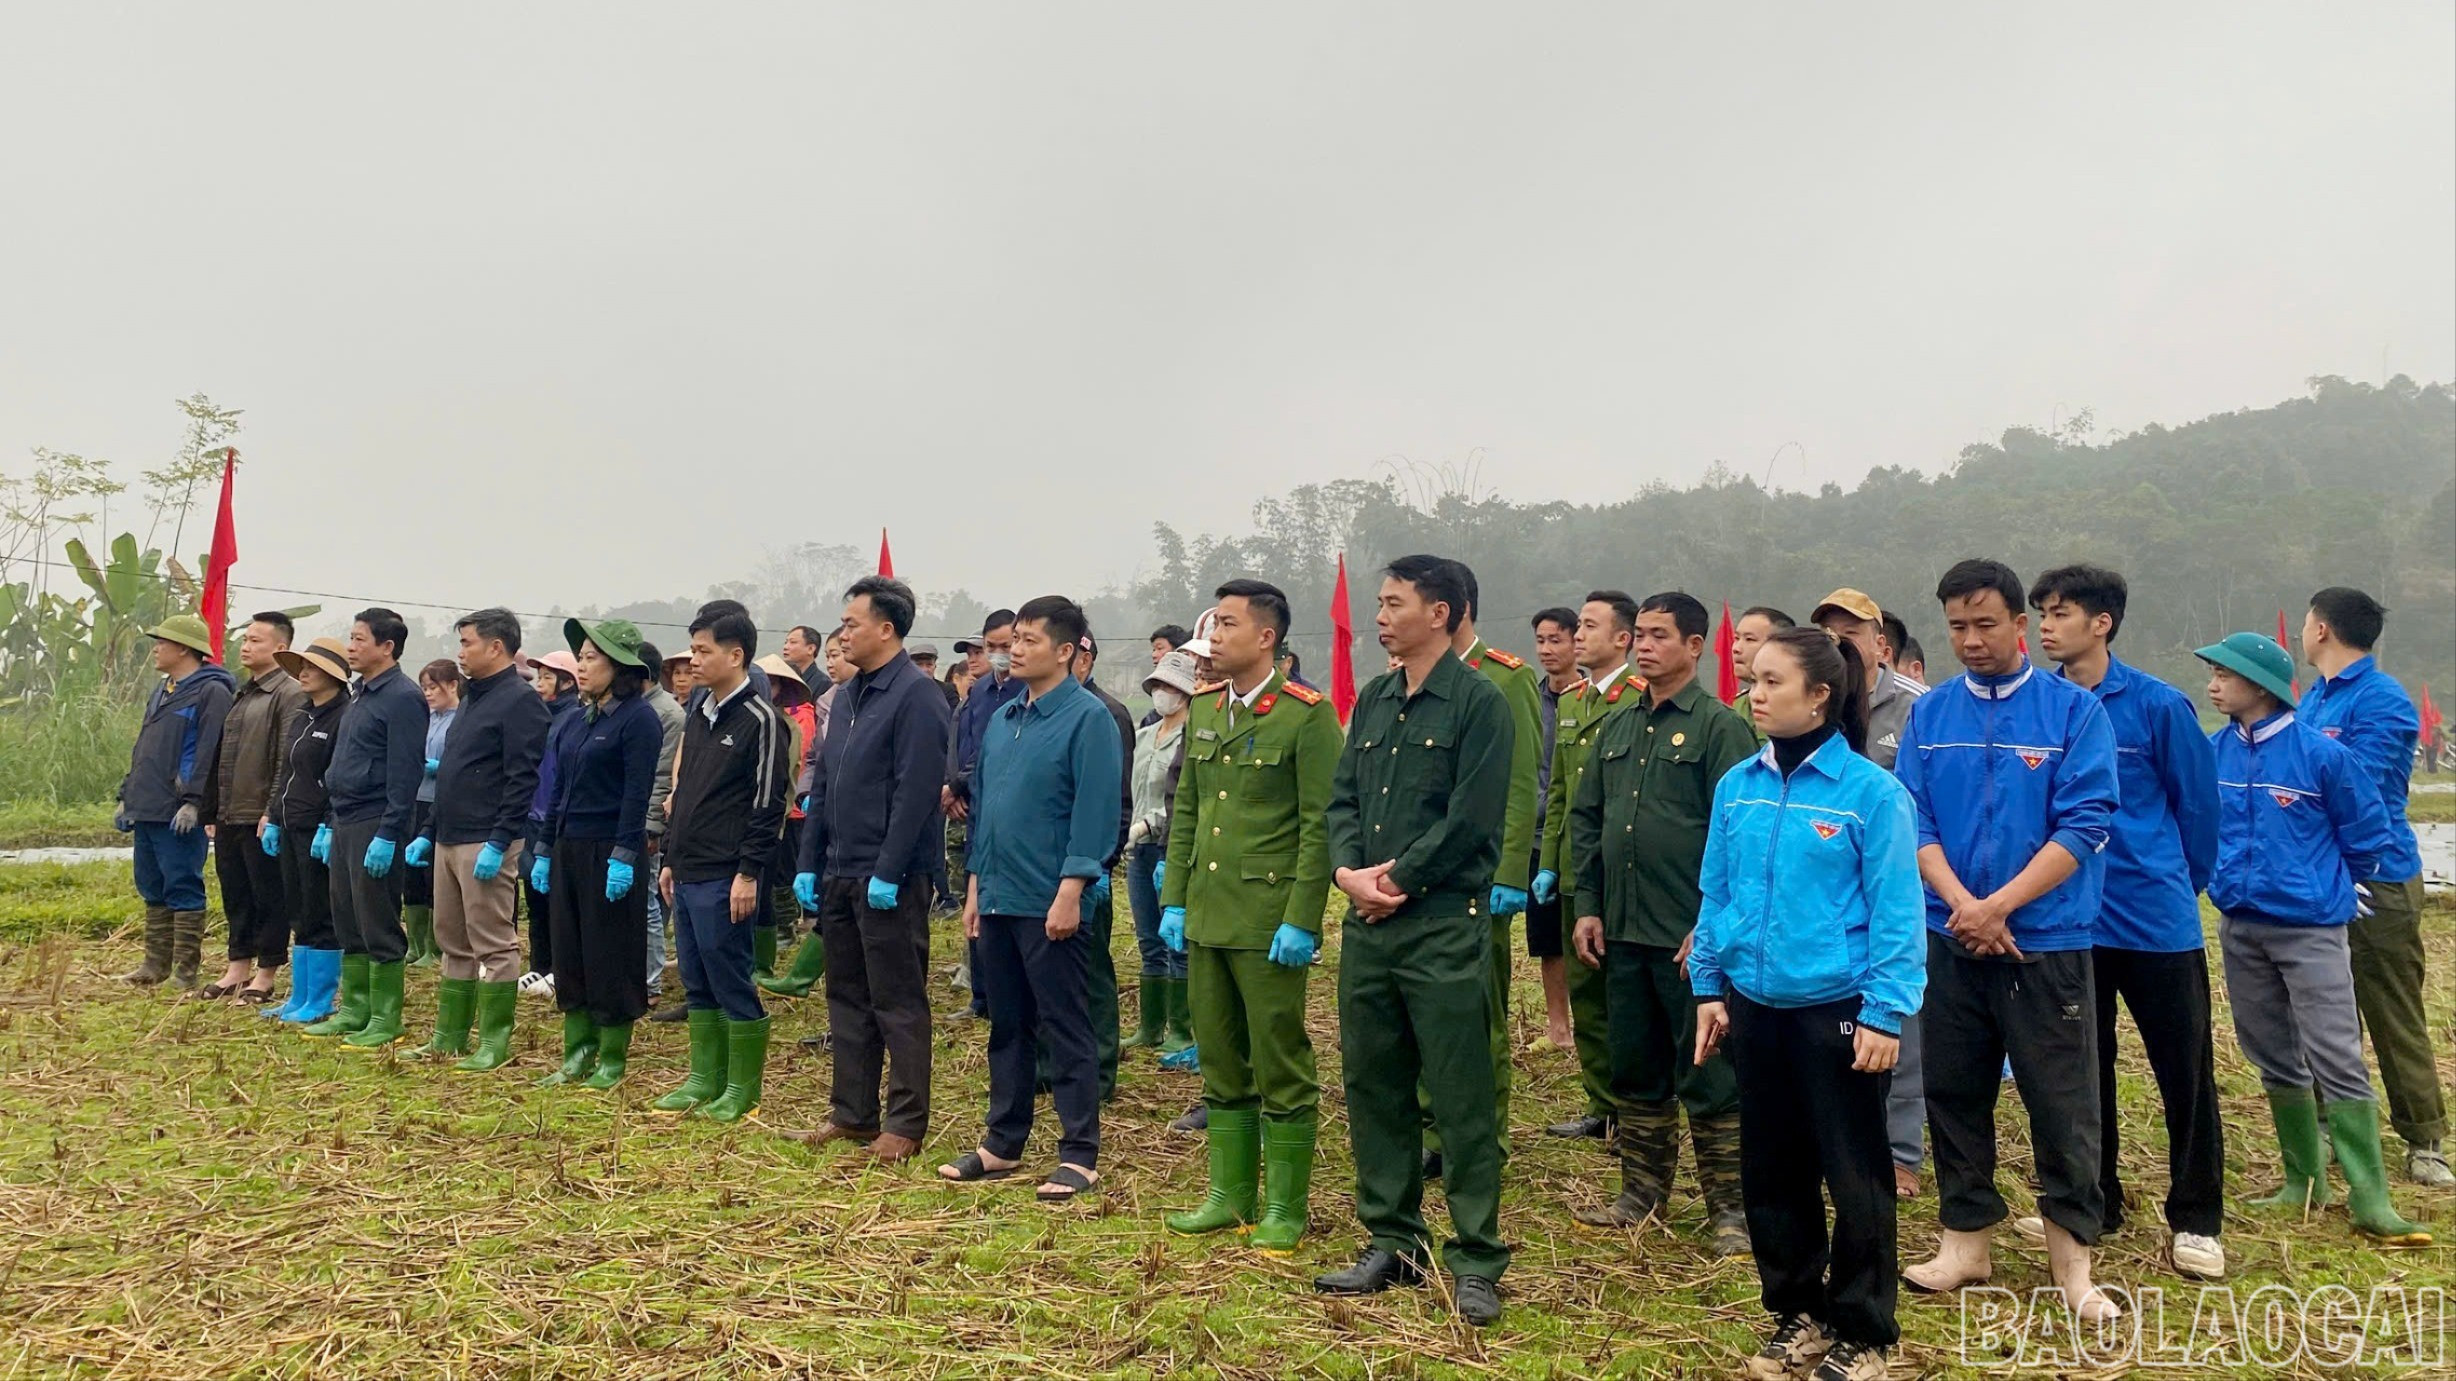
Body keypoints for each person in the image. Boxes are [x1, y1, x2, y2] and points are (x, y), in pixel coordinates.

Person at [1691, 627, 1923, 1381]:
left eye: (1770, 681)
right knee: (1773, 1167)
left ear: (1819, 695)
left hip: (1839, 1011)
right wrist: (1708, 987)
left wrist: (1886, 1012)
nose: (1754, 693)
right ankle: (1799, 1311)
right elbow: (1716, 894)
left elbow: (1896, 911)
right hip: (1755, 1007)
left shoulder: (1870, 794)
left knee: (1854, 1172)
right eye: (1751, 679)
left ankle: (1865, 1328)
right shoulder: (1738, 785)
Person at [1894, 561, 2120, 1322]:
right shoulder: (1932, 716)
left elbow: (2086, 825)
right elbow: (1914, 820)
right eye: (1958, 626)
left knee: (2063, 1101)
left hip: (2046, 940)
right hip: (1949, 932)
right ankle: (1966, 1240)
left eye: (1986, 624)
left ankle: (2072, 1259)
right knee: (1953, 1088)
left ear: (2020, 625)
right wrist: (1963, 904)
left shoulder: (2072, 713)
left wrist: (2001, 905)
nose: (1971, 639)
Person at [1316, 555, 1512, 1327]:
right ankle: (1393, 1237)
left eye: (1394, 603)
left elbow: (1470, 819)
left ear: (1440, 612)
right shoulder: (1373, 699)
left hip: (1439, 925)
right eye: (1379, 602)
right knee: (1373, 1082)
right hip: (1369, 930)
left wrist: (1393, 881)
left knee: (1460, 1097)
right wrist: (1346, 873)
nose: (1380, 616)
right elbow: (1342, 800)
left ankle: (1477, 1255)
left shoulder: (1479, 703)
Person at [2026, 566, 2226, 1280]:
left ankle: (2198, 1215)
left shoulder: (2156, 705)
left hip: (2154, 920)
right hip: (2071, 921)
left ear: (2102, 622)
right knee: (2082, 1072)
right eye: (2041, 612)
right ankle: (2095, 1200)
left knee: (2186, 1073)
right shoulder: (2038, 705)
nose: (2046, 625)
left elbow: (2200, 810)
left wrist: (2182, 882)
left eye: (2061, 612)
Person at [2197, 631, 2430, 1246]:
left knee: (2335, 1053)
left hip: (2311, 928)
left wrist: (2336, 887)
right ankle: (2303, 1181)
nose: (2213, 684)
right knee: (2270, 1050)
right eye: (2213, 673)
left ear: (2262, 686)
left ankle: (2370, 1197)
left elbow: (2367, 828)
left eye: (2225, 674)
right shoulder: (2214, 752)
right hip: (2242, 925)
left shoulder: (2320, 755)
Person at [1563, 592, 1758, 1252]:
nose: (1644, 647)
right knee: (1636, 1068)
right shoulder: (1617, 727)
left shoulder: (1717, 727)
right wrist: (1587, 903)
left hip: (1689, 938)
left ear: (1695, 646)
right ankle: (1640, 1193)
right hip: (1623, 929)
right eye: (1639, 635)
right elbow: (1585, 819)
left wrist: (1711, 924)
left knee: (1709, 1072)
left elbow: (1740, 833)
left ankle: (1729, 1207)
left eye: (1659, 636)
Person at [1158, 580, 1342, 1252]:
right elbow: (1189, 812)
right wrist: (1175, 895)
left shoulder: (1305, 715)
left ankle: (1285, 1206)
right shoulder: (1206, 708)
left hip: (1268, 919)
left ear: (1267, 636)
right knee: (1223, 1059)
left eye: (1229, 623)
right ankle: (1228, 1194)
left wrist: (1303, 916)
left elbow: (1320, 824)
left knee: (1279, 1058)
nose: (1215, 637)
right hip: (1208, 915)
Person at [936, 596, 1124, 1203]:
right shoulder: (1003, 717)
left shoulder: (1087, 718)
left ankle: (1079, 1152)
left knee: (1065, 1024)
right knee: (1008, 1025)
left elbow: (1095, 813)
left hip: (1053, 900)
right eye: (1011, 639)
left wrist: (1073, 889)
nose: (1013, 649)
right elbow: (986, 810)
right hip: (997, 894)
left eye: (1028, 640)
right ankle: (1003, 1141)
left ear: (1066, 651)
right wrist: (974, 884)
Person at [786, 577, 953, 1162]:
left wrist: (891, 868)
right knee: (847, 996)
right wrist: (810, 860)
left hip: (891, 879)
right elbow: (826, 781)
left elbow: (914, 794)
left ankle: (904, 1123)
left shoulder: (917, 696)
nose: (843, 633)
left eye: (852, 623)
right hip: (838, 869)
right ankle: (852, 1113)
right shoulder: (851, 695)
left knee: (897, 1000)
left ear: (887, 628)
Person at [2299, 587, 2452, 1187]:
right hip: (2319, 874)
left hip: (2379, 877)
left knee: (2391, 1009)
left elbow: (2360, 783)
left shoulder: (2382, 699)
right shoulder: (2314, 698)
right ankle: (2331, 1123)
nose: (2303, 632)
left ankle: (2423, 1138)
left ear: (2323, 629)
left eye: (2308, 621)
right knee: (2320, 1009)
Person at [653, 606, 794, 1121]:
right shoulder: (699, 713)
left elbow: (766, 804)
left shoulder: (761, 720)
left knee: (730, 974)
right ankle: (702, 1077)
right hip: (689, 868)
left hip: (726, 873)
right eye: (692, 650)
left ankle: (741, 1088)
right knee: (695, 975)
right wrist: (671, 856)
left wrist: (749, 872)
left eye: (703, 651)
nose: (693, 661)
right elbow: (684, 791)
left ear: (736, 656)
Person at [1812, 587, 1929, 1200]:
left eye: (1850, 633)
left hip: (1889, 888)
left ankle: (1901, 1151)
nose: (1839, 643)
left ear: (1881, 644)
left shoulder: (1916, 708)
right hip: (1822, 895)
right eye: (1827, 633)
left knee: (1897, 1024)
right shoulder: (1811, 703)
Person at [1424, 559, 1538, 1180]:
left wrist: (1510, 872)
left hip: (1476, 874)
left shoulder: (1503, 678)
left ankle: (1482, 1138)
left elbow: (1519, 784)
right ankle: (1434, 1127)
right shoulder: (1413, 679)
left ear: (1453, 609)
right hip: (1418, 875)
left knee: (1478, 1007)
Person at [404, 607, 551, 1070]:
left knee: (493, 940)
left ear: (496, 647)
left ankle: (493, 1041)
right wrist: (429, 833)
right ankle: (448, 1036)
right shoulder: (472, 698)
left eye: (467, 643)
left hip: (485, 839)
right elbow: (451, 773)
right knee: (452, 938)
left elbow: (521, 777)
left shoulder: (520, 701)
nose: (461, 652)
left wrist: (501, 838)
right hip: (449, 836)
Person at [529, 619, 664, 1089]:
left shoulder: (637, 719)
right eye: (581, 658)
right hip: (569, 845)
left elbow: (636, 792)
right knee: (571, 950)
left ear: (620, 666)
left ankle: (611, 1055)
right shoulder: (575, 720)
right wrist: (545, 848)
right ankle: (576, 1052)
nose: (582, 667)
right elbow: (559, 789)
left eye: (592, 659)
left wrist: (626, 853)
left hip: (610, 850)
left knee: (610, 952)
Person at [1533, 592, 1643, 1143]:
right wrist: (1549, 863)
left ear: (1623, 639)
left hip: (1624, 874)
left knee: (1627, 996)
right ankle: (1602, 1105)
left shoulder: (1640, 700)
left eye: (1589, 627)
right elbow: (1560, 792)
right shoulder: (1572, 701)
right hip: (1578, 871)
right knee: (1587, 996)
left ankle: (1639, 1110)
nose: (1578, 637)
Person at [302, 607, 429, 1050]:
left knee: (377, 919)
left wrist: (390, 832)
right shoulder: (361, 694)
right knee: (347, 916)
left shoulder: (403, 697)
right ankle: (353, 1010)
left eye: (358, 640)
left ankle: (384, 1016)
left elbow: (405, 771)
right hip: (346, 817)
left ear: (386, 647)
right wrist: (329, 822)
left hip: (377, 820)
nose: (351, 647)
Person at [116, 614, 237, 990]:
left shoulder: (211, 691)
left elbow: (208, 751)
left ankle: (185, 972)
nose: (156, 648)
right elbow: (145, 747)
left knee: (182, 883)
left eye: (162, 642)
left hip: (178, 809)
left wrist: (194, 802)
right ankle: (155, 965)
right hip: (147, 803)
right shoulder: (163, 689)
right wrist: (126, 795)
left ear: (184, 648)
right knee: (151, 884)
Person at [200, 612, 306, 1002]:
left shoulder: (289, 692)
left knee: (268, 895)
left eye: (256, 640)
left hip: (261, 814)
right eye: (245, 639)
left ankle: (266, 972)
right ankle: (236, 968)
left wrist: (272, 810)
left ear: (281, 647)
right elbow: (222, 756)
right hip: (231, 811)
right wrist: (212, 809)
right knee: (236, 894)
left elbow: (285, 759)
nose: (245, 646)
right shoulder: (244, 692)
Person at [1059, 629, 1136, 1102]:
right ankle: (1054, 1065)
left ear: (1083, 659)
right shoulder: (1043, 711)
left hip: (1088, 867)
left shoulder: (1106, 713)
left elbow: (1116, 802)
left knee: (1092, 973)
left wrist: (1102, 865)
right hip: (1048, 862)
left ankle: (1101, 1069)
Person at [261, 637, 350, 1023]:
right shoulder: (303, 715)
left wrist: (328, 824)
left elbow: (337, 777)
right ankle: (299, 995)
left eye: (311, 667)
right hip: (291, 825)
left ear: (332, 673)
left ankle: (322, 999)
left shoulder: (343, 716)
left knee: (319, 911)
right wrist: (273, 817)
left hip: (318, 828)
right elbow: (287, 772)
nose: (303, 673)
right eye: (300, 667)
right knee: (297, 910)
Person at [946, 609, 1024, 1016]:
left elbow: (997, 754)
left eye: (1004, 646)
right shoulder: (978, 692)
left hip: (1005, 809)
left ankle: (1002, 996)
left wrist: (959, 783)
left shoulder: (1026, 691)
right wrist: (956, 787)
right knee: (974, 902)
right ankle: (979, 996)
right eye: (989, 647)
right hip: (973, 807)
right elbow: (965, 745)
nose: (996, 654)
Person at [1123, 649, 1199, 1055]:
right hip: (1140, 851)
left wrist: (1154, 825)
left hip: (1170, 846)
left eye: (1172, 687)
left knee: (1178, 942)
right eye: (1159, 685)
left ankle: (1181, 1028)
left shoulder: (1193, 737)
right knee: (1148, 938)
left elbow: (1183, 799)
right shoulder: (1143, 736)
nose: (1163, 693)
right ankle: (1150, 1025)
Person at [1526, 606, 1581, 1052]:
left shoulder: (1590, 698)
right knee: (1547, 939)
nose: (1547, 650)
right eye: (1541, 641)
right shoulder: (1529, 696)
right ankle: (1558, 1027)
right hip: (1536, 834)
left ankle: (1592, 1022)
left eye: (1556, 640)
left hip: (1578, 835)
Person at [751, 652, 819, 990]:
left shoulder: (788, 725)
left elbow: (787, 775)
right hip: (761, 818)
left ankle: (764, 961)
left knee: (766, 886)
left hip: (778, 816)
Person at [519, 647, 584, 996]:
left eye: (547, 677)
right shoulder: (538, 716)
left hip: (559, 819)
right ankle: (538, 966)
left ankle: (562, 968)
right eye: (539, 676)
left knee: (560, 899)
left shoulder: (575, 717)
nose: (540, 683)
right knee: (534, 894)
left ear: (567, 682)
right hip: (532, 817)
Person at [401, 659, 463, 970]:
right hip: (416, 798)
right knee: (411, 876)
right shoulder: (426, 718)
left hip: (440, 803)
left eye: (433, 687)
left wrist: (442, 768)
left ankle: (435, 948)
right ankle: (413, 944)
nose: (428, 693)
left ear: (453, 685)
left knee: (432, 878)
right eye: (424, 687)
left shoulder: (460, 719)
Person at [638, 642, 686, 1023]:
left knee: (648, 901)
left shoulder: (667, 713)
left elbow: (662, 775)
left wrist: (653, 823)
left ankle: (650, 981)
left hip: (647, 819)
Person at [1728, 606, 1794, 743]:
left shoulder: (1793, 705)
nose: (1736, 648)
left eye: (1749, 639)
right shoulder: (1738, 704)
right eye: (1736, 638)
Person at [782, 623, 828, 699]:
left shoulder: (823, 683)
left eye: (793, 642)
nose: (785, 647)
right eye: (786, 642)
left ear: (810, 649)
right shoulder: (783, 679)